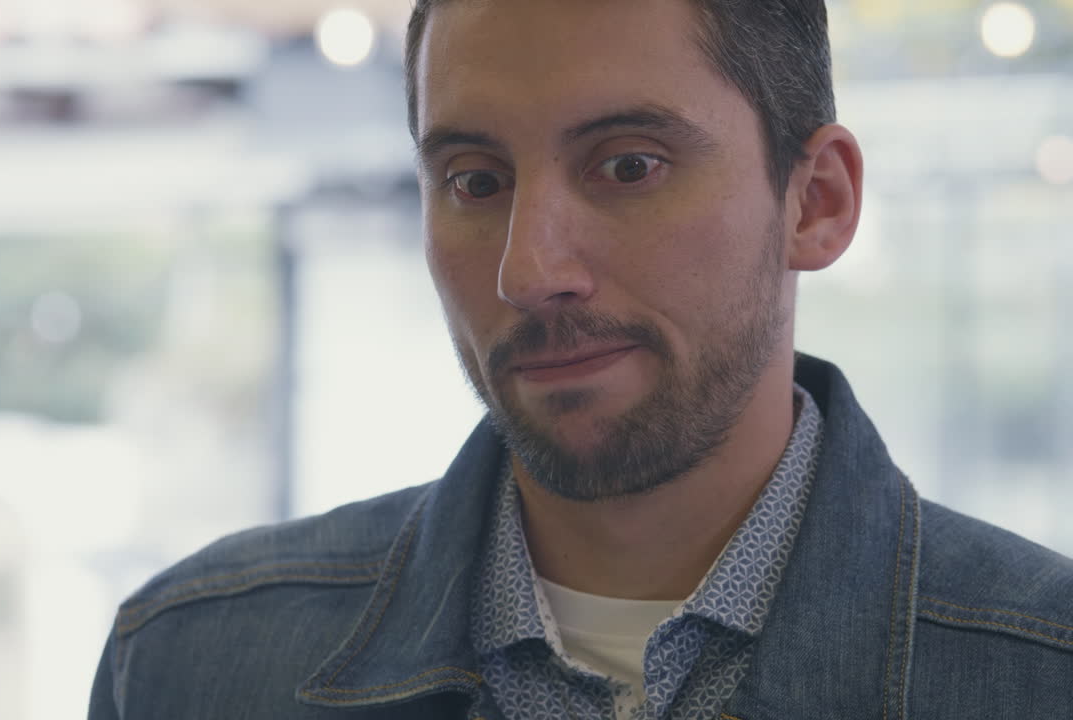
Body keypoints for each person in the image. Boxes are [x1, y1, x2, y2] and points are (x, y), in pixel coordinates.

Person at [88, 0, 1073, 717]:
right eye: (474, 181)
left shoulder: (1037, 672)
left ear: (813, 201)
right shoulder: (191, 666)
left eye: (628, 166)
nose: (530, 270)